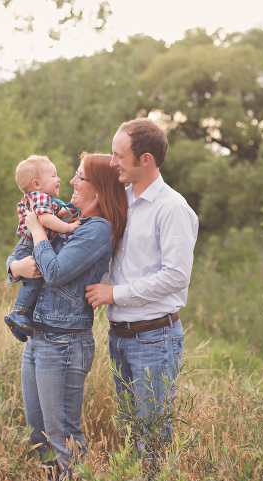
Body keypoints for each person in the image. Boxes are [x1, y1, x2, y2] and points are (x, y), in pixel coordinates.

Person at [7, 153, 127, 481]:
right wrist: (14, 268)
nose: (72, 182)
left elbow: (56, 273)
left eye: (80, 177)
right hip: (38, 339)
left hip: (64, 343)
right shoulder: (64, 216)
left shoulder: (98, 229)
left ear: (99, 190)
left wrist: (38, 232)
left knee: (63, 441)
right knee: (39, 438)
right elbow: (20, 252)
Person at [85, 118, 198, 460]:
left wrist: (113, 293)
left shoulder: (172, 209)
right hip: (118, 335)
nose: (113, 162)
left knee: (152, 439)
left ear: (145, 159)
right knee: (133, 430)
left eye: (119, 155)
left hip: (153, 338)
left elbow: (176, 276)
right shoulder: (122, 200)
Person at [4, 155, 81, 342]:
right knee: (33, 282)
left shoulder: (43, 198)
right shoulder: (39, 197)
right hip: (29, 245)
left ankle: (23, 317)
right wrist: (69, 227)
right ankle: (19, 312)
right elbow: (46, 219)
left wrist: (74, 208)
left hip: (29, 244)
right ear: (37, 183)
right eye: (53, 176)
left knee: (36, 281)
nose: (59, 179)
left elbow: (57, 213)